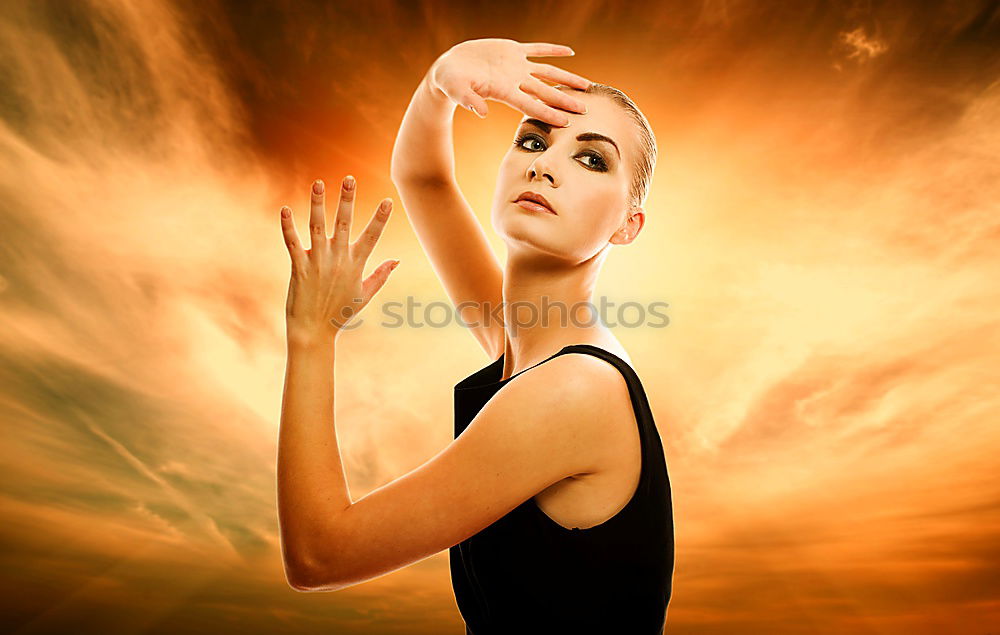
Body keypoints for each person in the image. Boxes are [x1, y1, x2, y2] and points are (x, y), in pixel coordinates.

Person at [276, 38, 673, 634]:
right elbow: (423, 178)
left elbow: (319, 555)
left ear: (628, 224)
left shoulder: (571, 391)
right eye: (534, 141)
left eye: (592, 159)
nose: (543, 165)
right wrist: (440, 80)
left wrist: (312, 333)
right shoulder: (533, 346)